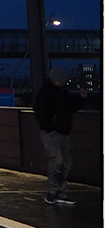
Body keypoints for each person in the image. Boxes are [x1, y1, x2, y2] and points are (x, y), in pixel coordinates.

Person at [33, 66, 87, 205]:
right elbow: (40, 111)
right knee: (57, 161)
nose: (67, 80)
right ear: (59, 79)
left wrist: (80, 99)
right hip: (52, 133)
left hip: (63, 132)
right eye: (65, 78)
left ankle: (60, 193)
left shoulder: (62, 92)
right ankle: (53, 193)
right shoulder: (46, 93)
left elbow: (70, 107)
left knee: (65, 164)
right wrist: (49, 127)